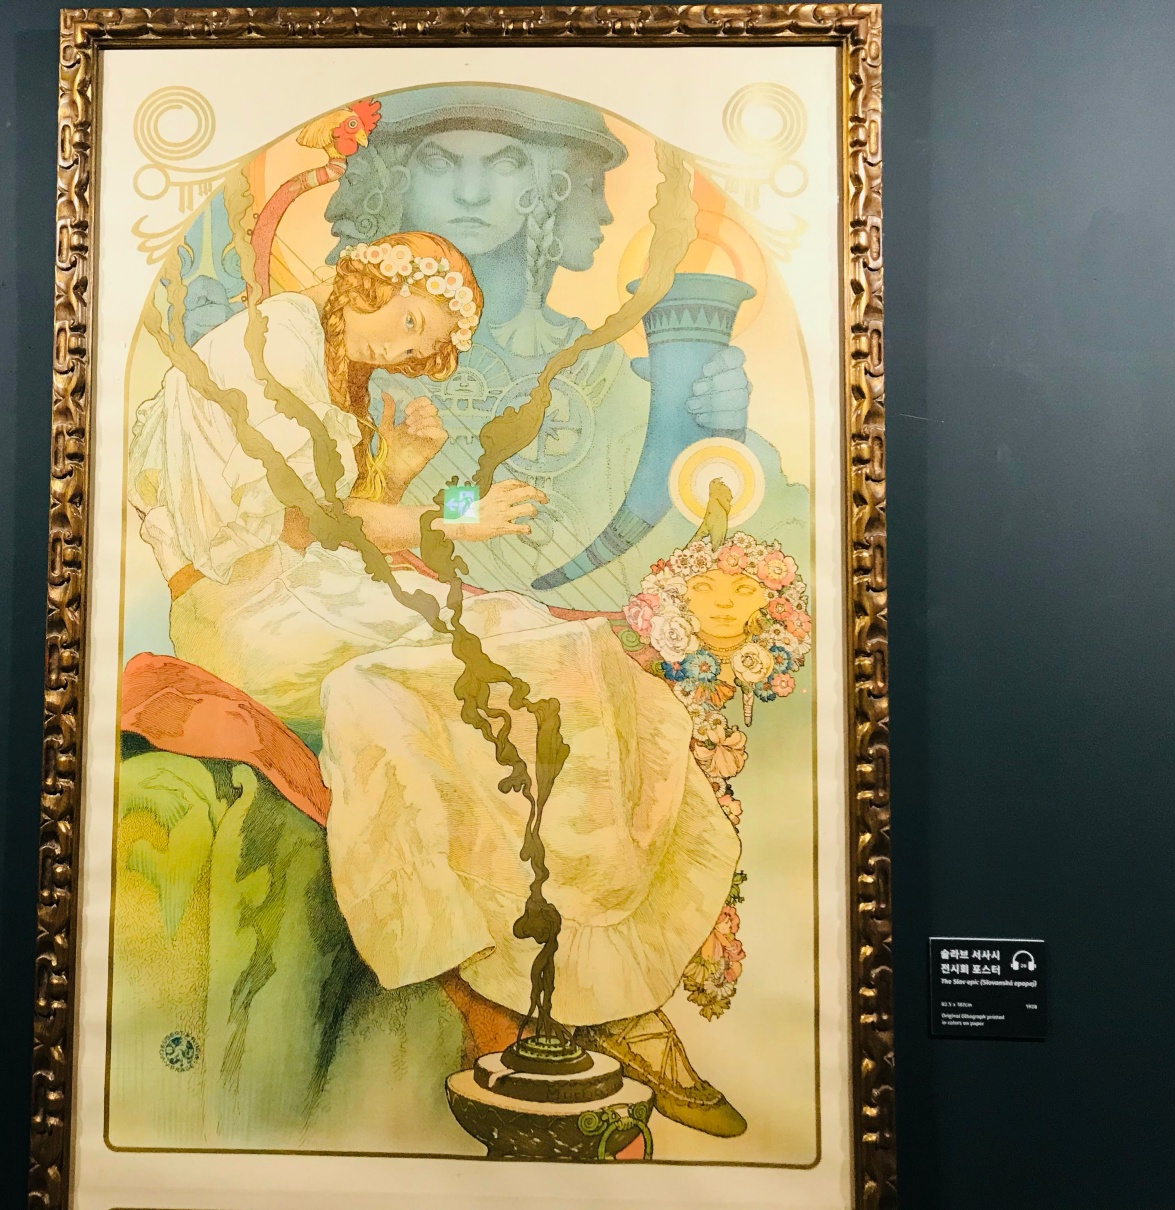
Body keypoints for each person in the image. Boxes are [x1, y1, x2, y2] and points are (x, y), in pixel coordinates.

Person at [127, 232, 745, 1137]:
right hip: (249, 609)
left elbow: (345, 513)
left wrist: (404, 468)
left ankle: (606, 975)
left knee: (559, 648)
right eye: (410, 320)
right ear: (370, 282)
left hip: (321, 586)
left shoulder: (331, 363)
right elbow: (304, 523)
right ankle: (571, 996)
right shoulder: (272, 343)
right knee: (456, 673)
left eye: (422, 342)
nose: (405, 346)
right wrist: (453, 512)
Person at [324, 86, 808, 617]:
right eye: (438, 162)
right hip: (414, 619)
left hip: (567, 622)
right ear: (395, 177)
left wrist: (714, 432)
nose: (471, 194)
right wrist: (416, 490)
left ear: (555, 182)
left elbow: (714, 518)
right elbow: (344, 519)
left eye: (507, 163)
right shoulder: (364, 349)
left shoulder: (597, 366)